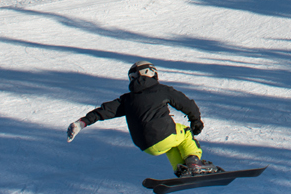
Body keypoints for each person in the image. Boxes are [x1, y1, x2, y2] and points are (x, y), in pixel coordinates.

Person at [66, 61, 220, 178]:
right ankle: (194, 164)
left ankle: (181, 168)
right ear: (152, 74)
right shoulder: (161, 90)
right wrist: (196, 121)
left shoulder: (127, 100)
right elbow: (187, 104)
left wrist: (81, 123)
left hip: (145, 146)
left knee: (172, 145)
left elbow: (104, 111)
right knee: (185, 133)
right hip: (163, 135)